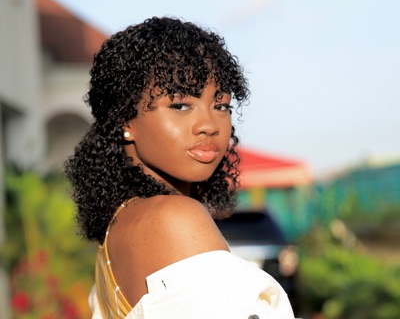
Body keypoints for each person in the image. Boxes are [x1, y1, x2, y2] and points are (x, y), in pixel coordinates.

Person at [64, 17, 295, 319]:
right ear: (125, 120)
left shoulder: (118, 227)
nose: (209, 125)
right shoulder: (173, 218)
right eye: (180, 105)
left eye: (221, 106)